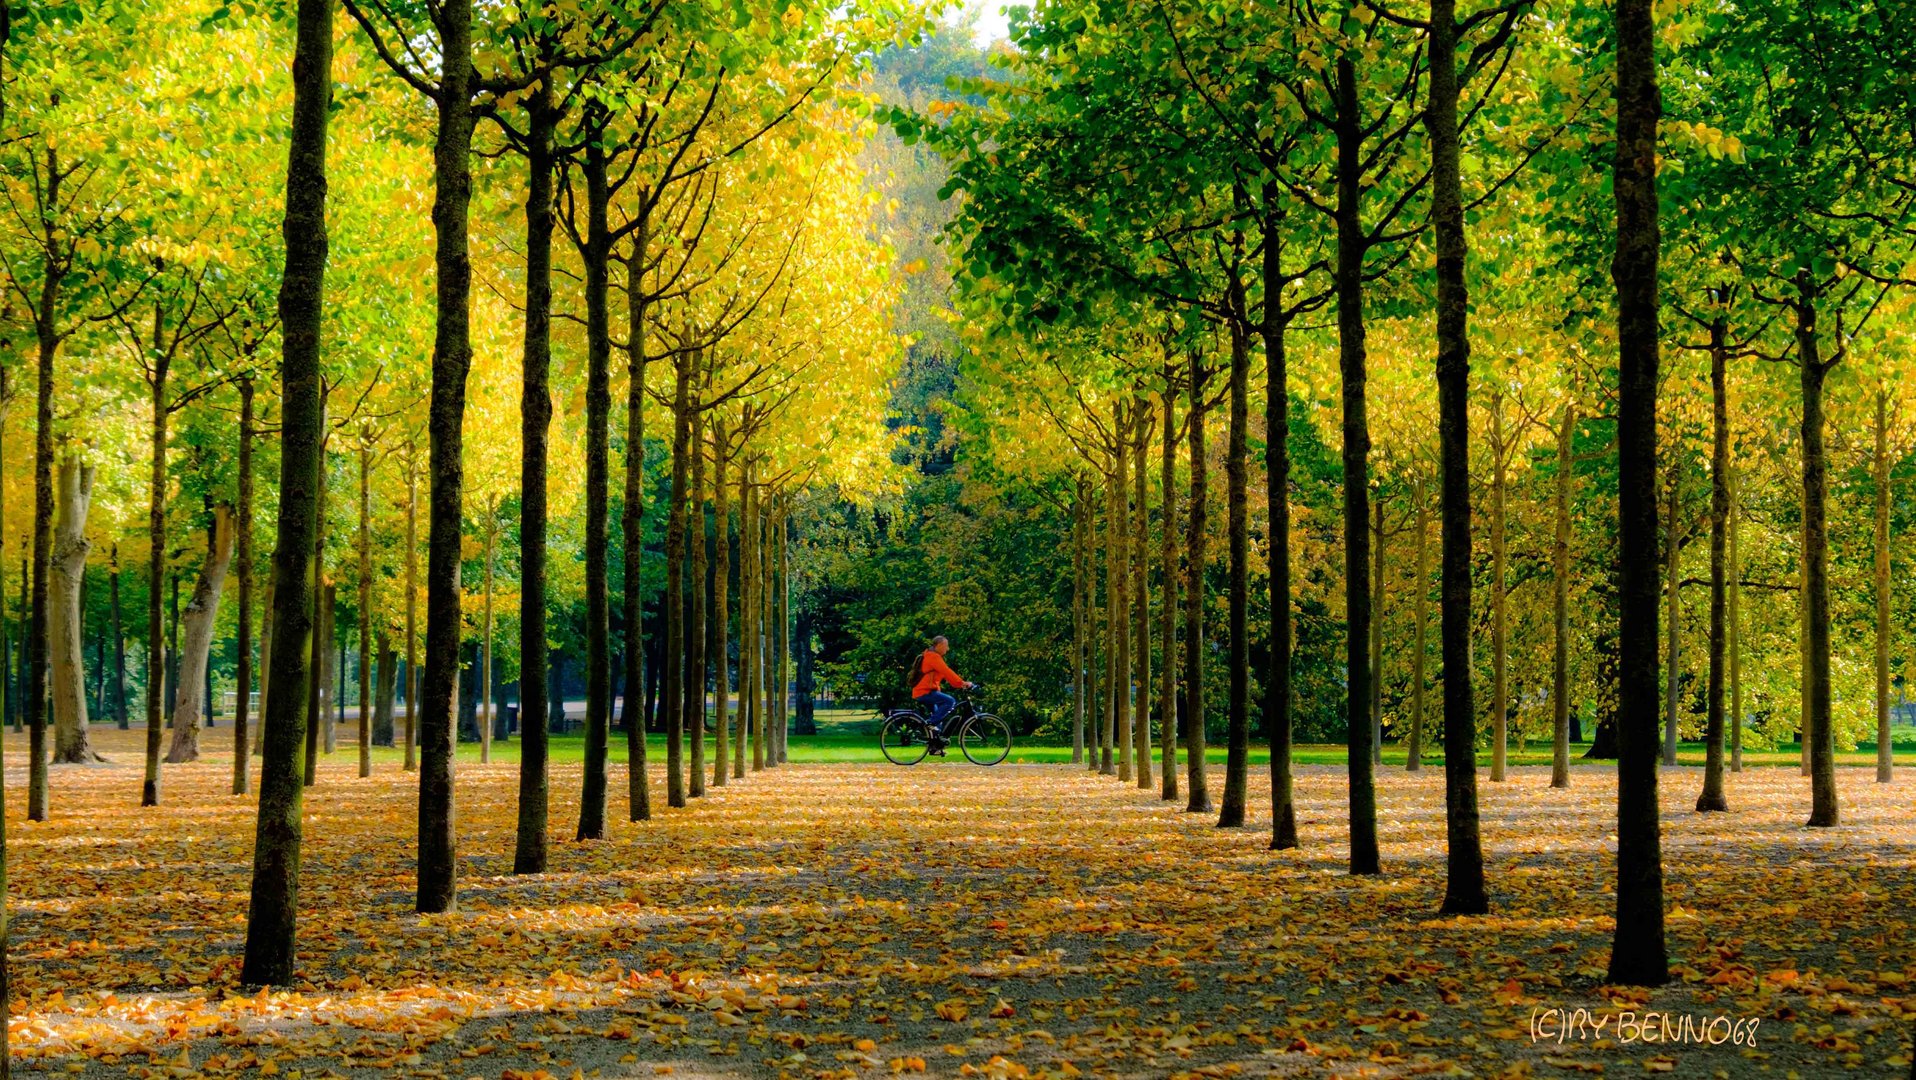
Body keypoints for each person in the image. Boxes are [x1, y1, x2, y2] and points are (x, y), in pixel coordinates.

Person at [909, 635, 973, 733]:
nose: (948, 649)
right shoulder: (933, 657)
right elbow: (946, 671)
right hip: (925, 691)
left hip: (923, 691)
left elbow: (945, 675)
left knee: (938, 719)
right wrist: (962, 683)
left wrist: (958, 684)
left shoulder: (930, 655)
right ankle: (929, 723)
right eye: (946, 645)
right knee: (950, 701)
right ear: (939, 645)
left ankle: (935, 746)